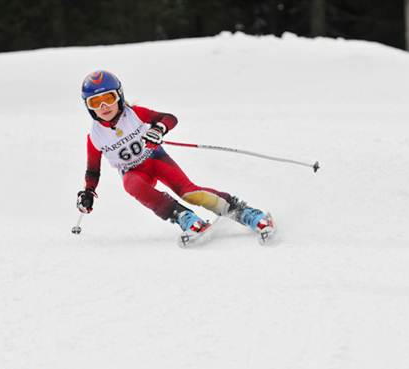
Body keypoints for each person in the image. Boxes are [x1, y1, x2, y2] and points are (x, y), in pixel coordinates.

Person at [76, 70, 274, 242]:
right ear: (88, 107)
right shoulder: (95, 137)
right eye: (95, 102)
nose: (103, 106)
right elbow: (93, 170)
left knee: (190, 193)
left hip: (156, 159)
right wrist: (88, 193)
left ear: (119, 96)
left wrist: (158, 129)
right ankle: (184, 217)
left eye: (108, 98)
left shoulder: (135, 114)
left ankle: (246, 213)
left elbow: (170, 118)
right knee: (130, 184)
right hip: (135, 173)